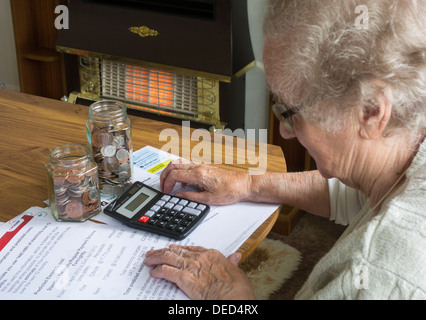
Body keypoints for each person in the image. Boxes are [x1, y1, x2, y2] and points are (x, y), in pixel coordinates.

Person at [144, 0, 426, 299]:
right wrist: (248, 184)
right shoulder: (402, 148)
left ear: (370, 110)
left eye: (292, 113)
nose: (284, 131)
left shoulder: (381, 279)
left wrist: (230, 296)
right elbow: (355, 194)